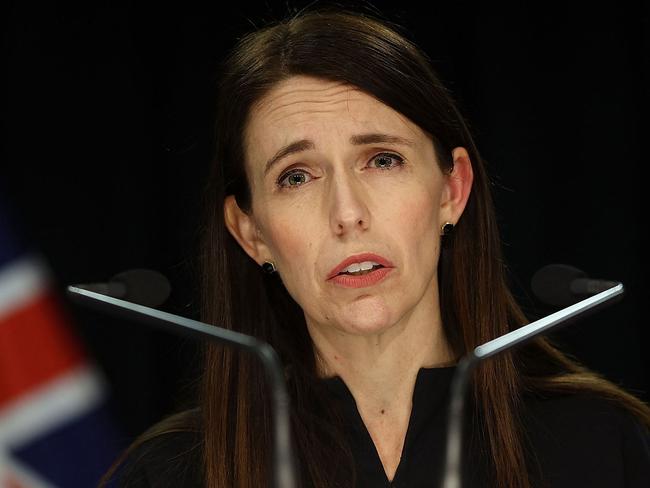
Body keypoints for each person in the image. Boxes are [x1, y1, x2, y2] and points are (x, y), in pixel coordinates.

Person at [102, 6, 650, 488]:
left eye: (382, 160)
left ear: (452, 190)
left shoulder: (604, 444)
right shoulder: (170, 472)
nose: (347, 214)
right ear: (252, 233)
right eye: (297, 176)